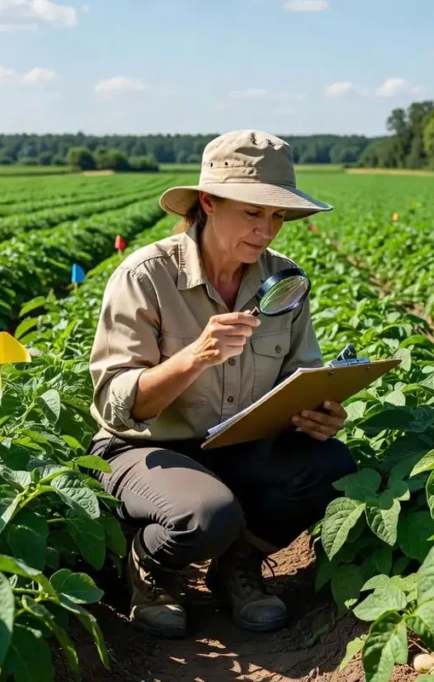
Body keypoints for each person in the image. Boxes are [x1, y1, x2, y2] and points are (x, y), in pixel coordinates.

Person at [86, 130, 357, 639]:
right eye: (253, 212)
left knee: (332, 467)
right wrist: (194, 357)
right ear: (208, 202)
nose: (268, 230)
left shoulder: (284, 280)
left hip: (236, 444)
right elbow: (116, 403)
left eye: (277, 215)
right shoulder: (145, 276)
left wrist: (320, 412)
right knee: (207, 515)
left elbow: (302, 375)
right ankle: (153, 568)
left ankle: (237, 566)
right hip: (143, 449)